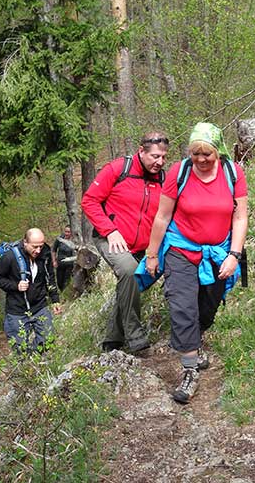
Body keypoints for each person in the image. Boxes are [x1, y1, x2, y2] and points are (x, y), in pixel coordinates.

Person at [138, 123, 248, 404]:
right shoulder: (179, 171)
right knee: (182, 306)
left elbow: (240, 217)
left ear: (218, 151)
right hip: (180, 249)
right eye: (195, 153)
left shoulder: (233, 173)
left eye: (206, 154)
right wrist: (152, 255)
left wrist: (234, 255)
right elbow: (162, 217)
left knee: (207, 309)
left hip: (218, 251)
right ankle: (189, 369)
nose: (200, 159)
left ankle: (195, 342)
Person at [81, 132, 169, 353]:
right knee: (129, 271)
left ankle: (113, 340)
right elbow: (89, 201)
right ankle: (135, 336)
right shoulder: (118, 169)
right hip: (109, 238)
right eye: (155, 156)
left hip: (144, 247)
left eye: (164, 157)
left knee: (133, 282)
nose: (160, 162)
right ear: (141, 151)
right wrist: (110, 231)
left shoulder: (164, 180)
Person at [0, 228, 62, 354]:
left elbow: (50, 277)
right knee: (20, 349)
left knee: (48, 339)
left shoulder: (45, 254)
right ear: (25, 242)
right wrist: (15, 286)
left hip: (39, 305)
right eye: (34, 247)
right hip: (17, 309)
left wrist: (55, 300)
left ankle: (36, 361)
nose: (38, 250)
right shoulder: (10, 257)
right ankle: (28, 365)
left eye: (41, 246)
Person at [51, 226, 76, 292]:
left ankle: (65, 293)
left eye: (69, 232)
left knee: (66, 281)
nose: (67, 233)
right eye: (66, 231)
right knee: (59, 281)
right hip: (60, 263)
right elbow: (54, 250)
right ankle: (61, 291)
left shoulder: (74, 240)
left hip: (70, 264)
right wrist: (54, 261)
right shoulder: (59, 239)